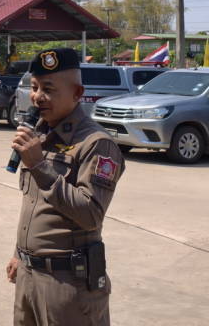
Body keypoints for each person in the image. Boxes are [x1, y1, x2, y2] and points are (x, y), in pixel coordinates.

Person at [7, 48, 125, 325]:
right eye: (34, 87)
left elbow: (91, 214)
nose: (37, 96)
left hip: (68, 283)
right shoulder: (40, 134)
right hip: (28, 275)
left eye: (48, 89)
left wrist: (39, 166)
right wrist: (18, 254)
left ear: (77, 93)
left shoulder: (96, 144)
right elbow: (33, 206)